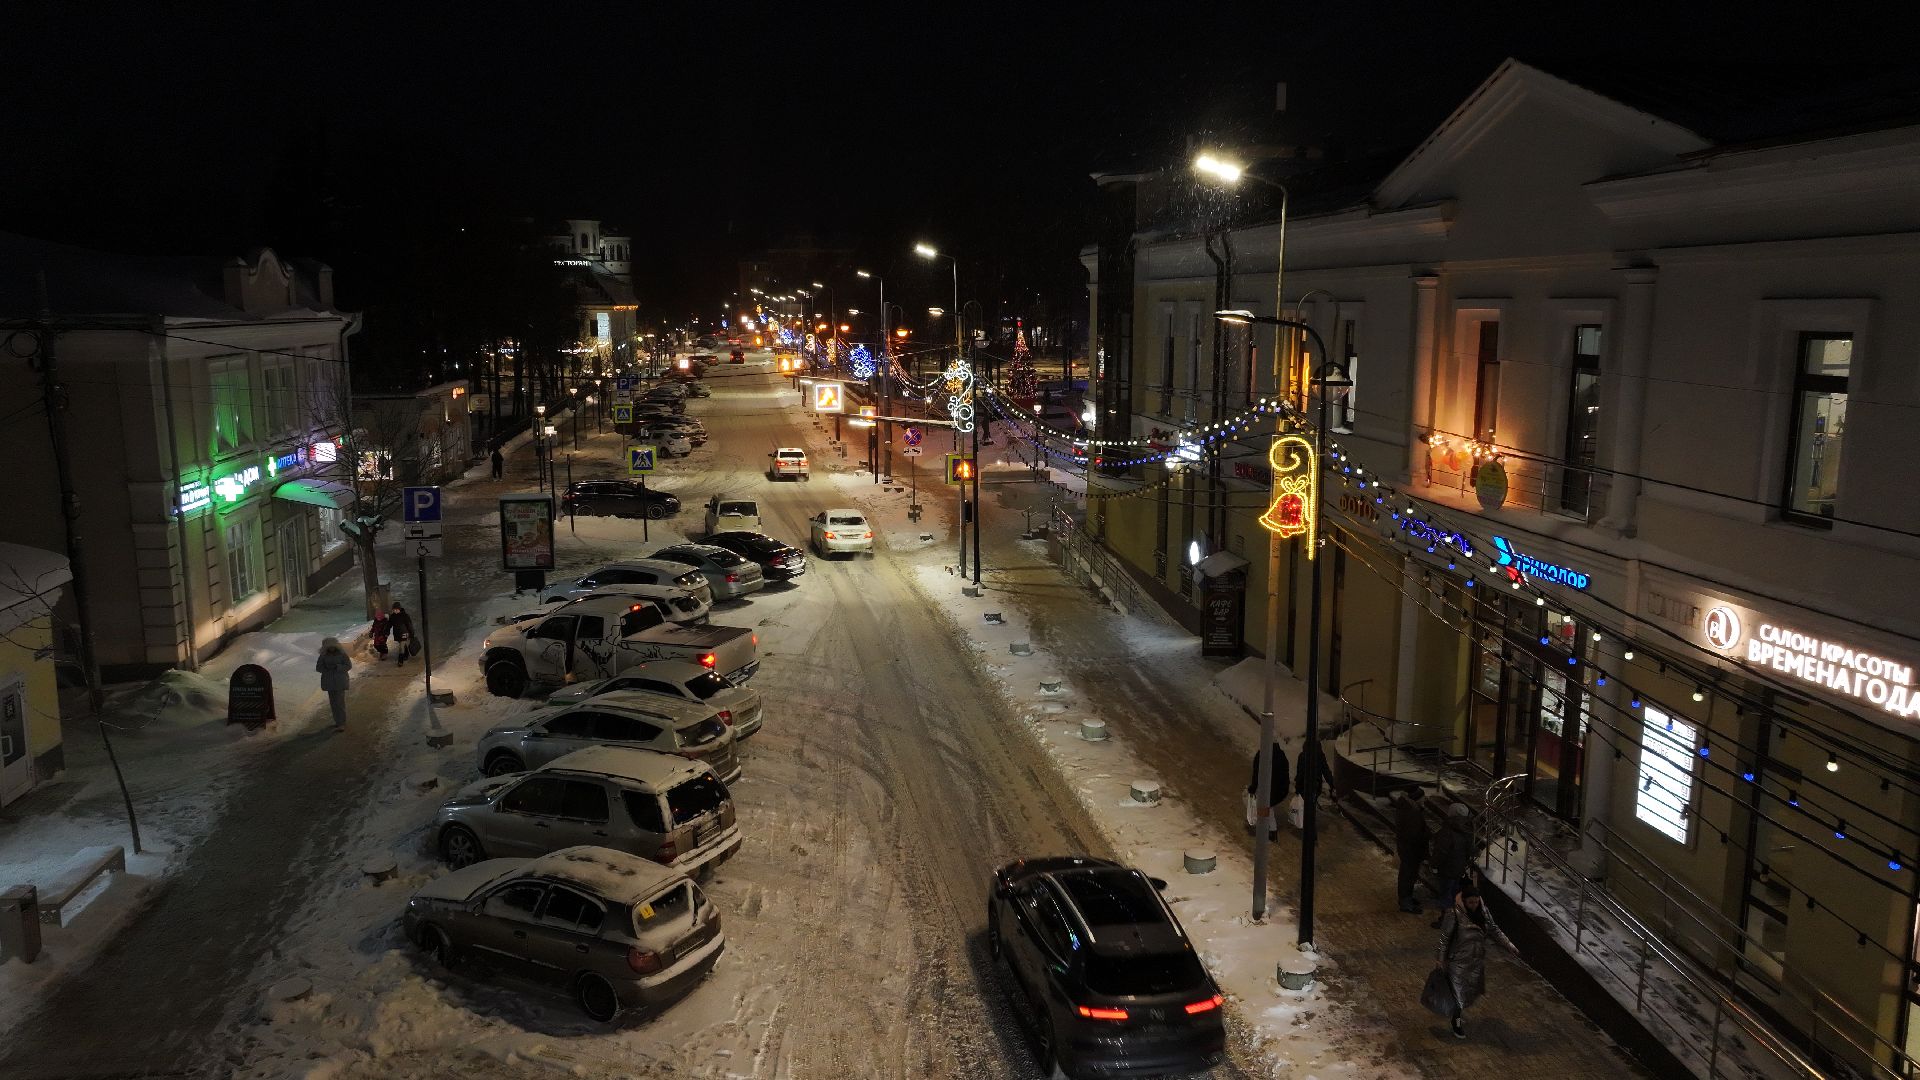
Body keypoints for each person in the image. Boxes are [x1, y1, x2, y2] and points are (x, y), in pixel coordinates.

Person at [1434, 883, 1516, 1039]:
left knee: (1467, 992)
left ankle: (1456, 1013)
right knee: (1458, 993)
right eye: (1470, 902)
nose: (1474, 905)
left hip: (1475, 960)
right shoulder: (1454, 914)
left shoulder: (1483, 912)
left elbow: (1494, 929)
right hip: (1457, 961)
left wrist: (1508, 944)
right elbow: (1444, 939)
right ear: (1464, 901)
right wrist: (1440, 960)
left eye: (1476, 902)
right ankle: (1456, 1022)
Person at [1430, 802, 1476, 927]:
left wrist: (1434, 864)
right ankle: (1457, 919)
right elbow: (1470, 850)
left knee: (1446, 895)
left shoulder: (1448, 831)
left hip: (1447, 869)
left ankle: (1446, 921)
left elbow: (1441, 851)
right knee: (1455, 895)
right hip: (1458, 868)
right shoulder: (1467, 829)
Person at [1392, 789, 1431, 914]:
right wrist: (1427, 835)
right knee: (1407, 875)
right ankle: (1405, 903)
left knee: (1408, 875)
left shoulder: (1408, 809)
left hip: (1408, 848)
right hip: (1411, 850)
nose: (1425, 800)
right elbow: (1414, 834)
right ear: (1417, 799)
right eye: (1423, 798)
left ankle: (1406, 898)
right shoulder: (1411, 812)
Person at [1245, 742, 1291, 841]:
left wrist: (1253, 788)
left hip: (1269, 789)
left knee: (1266, 806)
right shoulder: (1281, 756)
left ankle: (1270, 831)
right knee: (1268, 806)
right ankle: (1271, 831)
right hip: (1280, 789)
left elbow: (1256, 773)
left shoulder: (1261, 755)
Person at [316, 637, 352, 731]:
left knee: (339, 703)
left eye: (332, 647)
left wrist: (338, 667)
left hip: (340, 681)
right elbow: (318, 667)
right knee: (333, 703)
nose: (331, 649)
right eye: (329, 647)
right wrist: (327, 669)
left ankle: (342, 723)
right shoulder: (323, 656)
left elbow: (348, 665)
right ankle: (337, 721)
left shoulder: (342, 654)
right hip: (329, 682)